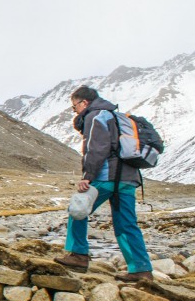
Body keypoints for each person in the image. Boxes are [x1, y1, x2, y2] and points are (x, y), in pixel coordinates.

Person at [56, 86, 154, 282]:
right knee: (126, 223)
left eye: (74, 107)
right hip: (128, 178)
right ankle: (141, 269)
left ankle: (79, 255)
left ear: (83, 103)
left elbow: (96, 148)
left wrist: (87, 176)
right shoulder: (115, 116)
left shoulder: (95, 116)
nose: (74, 111)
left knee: (78, 209)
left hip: (107, 176)